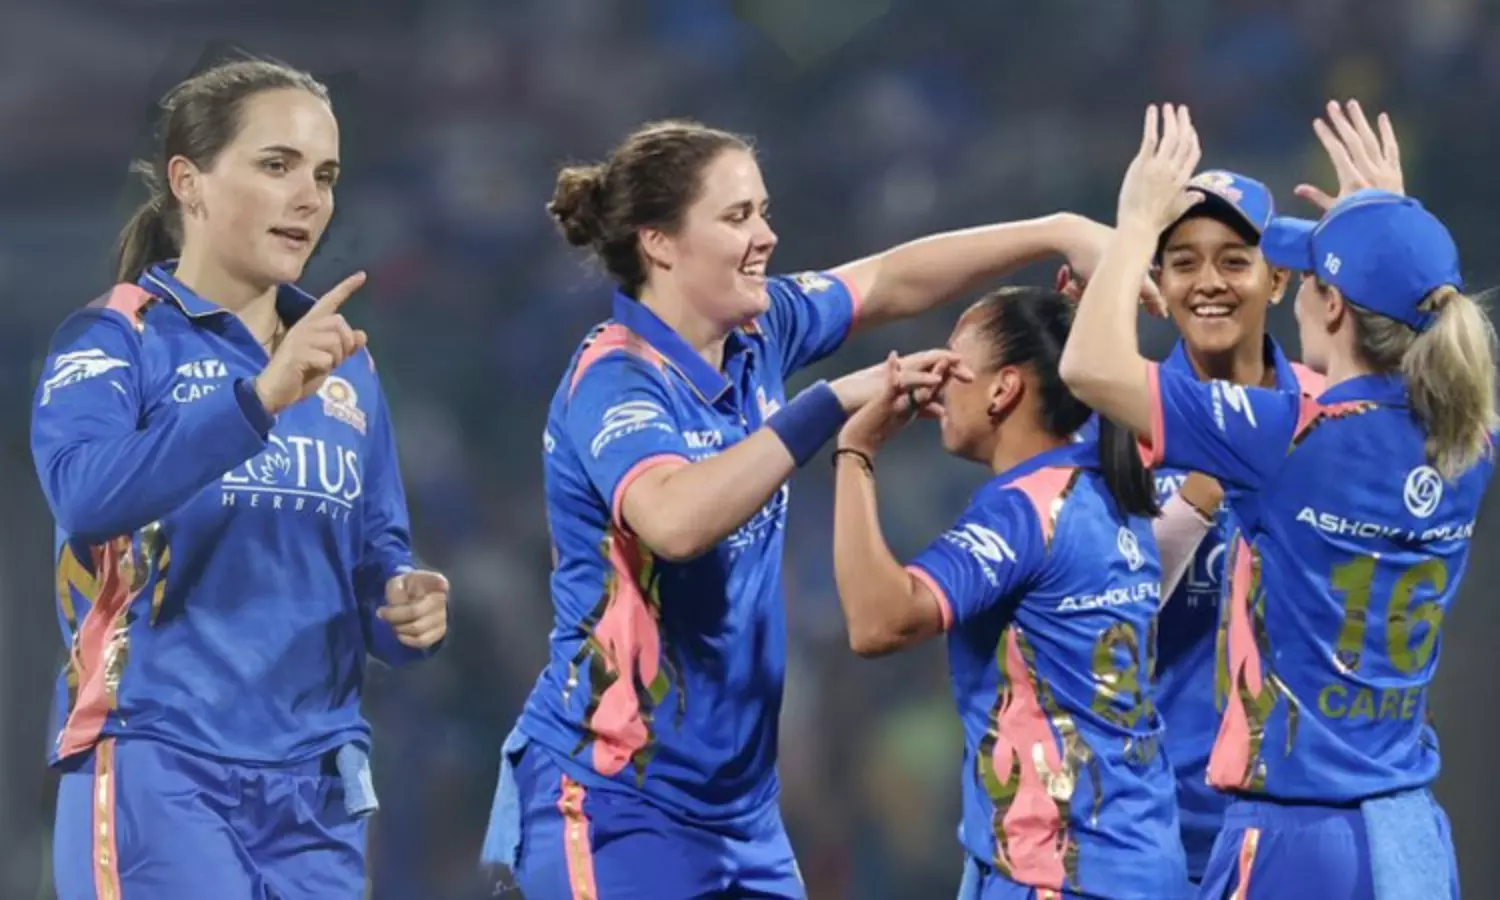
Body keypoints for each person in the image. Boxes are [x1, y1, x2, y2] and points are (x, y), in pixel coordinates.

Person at [481, 118, 1156, 899]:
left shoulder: (761, 329)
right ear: (659, 243)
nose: (766, 236)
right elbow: (674, 521)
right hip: (612, 798)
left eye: (763, 212)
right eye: (737, 217)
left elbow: (889, 280)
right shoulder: (618, 377)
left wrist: (1057, 231)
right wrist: (829, 404)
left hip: (741, 813)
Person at [33, 58, 449, 900]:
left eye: (324, 176)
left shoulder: (347, 368)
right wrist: (258, 399)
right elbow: (84, 494)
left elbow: (377, 551)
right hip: (158, 758)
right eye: (276, 165)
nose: (309, 198)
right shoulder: (115, 339)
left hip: (319, 786)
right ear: (189, 182)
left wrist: (405, 604)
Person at [1061, 103, 1493, 899]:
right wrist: (1392, 230)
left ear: (1330, 305)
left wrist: (1135, 226)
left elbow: (1088, 367)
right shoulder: (1471, 439)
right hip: (1407, 836)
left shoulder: (1285, 434)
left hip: (1296, 834)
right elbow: (1425, 318)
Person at [826, 286, 1187, 900]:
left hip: (1058, 871)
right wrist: (1078, 323)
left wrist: (854, 454)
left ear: (1004, 389)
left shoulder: (1021, 512)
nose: (938, 380)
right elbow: (1088, 386)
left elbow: (878, 621)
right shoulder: (1111, 476)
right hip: (1143, 858)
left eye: (955, 361)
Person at [1062, 163, 1323, 886]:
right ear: (1157, 281)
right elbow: (1088, 616)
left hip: (1294, 818)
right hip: (1152, 828)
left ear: (1277, 280)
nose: (1208, 283)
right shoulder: (1112, 428)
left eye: (1234, 261)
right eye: (1183, 263)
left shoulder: (1322, 415)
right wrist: (1204, 487)